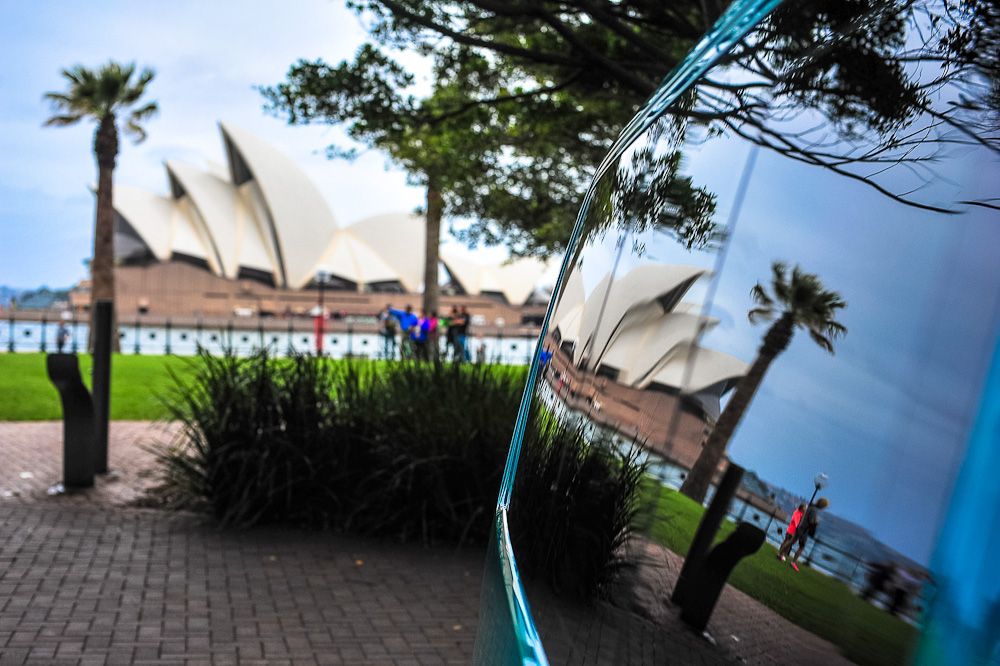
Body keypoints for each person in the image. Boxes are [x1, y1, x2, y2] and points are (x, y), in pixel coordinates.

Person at [789, 497, 829, 571]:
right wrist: (815, 522)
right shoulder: (814, 510)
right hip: (804, 530)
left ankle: (780, 553)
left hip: (800, 527)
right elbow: (810, 521)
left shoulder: (810, 507)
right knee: (801, 547)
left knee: (791, 541)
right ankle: (793, 562)